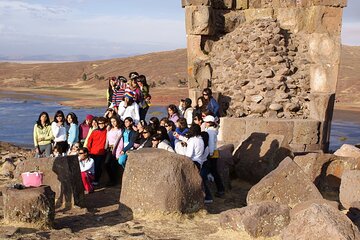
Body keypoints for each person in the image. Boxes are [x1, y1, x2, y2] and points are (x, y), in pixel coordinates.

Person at [203, 115, 225, 198]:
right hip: (213, 152)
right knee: (214, 171)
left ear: (209, 123)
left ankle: (220, 189)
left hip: (212, 153)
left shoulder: (211, 132)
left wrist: (210, 153)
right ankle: (220, 189)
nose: (204, 123)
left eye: (206, 122)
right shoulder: (211, 130)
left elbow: (211, 143)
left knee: (214, 172)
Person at [86, 117, 108, 186]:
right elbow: (89, 141)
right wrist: (88, 150)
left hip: (101, 152)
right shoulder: (94, 131)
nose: (100, 125)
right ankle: (91, 179)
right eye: (99, 123)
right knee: (91, 166)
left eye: (102, 123)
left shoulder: (107, 131)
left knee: (98, 166)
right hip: (92, 152)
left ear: (105, 123)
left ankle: (96, 180)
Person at [105, 117, 123, 186]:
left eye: (114, 121)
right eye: (112, 121)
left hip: (115, 148)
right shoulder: (109, 129)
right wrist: (105, 146)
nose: (113, 123)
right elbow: (107, 138)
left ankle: (113, 180)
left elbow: (117, 140)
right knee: (107, 163)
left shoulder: (119, 130)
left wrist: (114, 149)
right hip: (109, 148)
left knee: (113, 164)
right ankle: (111, 179)